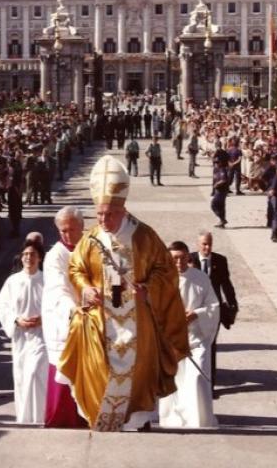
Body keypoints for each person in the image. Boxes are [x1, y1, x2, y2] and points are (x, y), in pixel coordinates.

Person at [57, 155, 189, 431]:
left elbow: (166, 271)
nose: (103, 220)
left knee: (138, 372)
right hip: (100, 322)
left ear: (123, 210)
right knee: (99, 372)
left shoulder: (144, 236)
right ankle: (103, 419)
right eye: (99, 214)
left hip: (137, 322)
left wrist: (147, 289)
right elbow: (77, 269)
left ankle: (137, 421)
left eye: (110, 214)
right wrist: (86, 288)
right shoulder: (91, 238)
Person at [159, 241, 219, 428]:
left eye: (183, 258)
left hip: (196, 338)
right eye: (175, 258)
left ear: (188, 257)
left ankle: (199, 419)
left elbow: (213, 306)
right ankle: (172, 418)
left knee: (197, 378)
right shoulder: (161, 279)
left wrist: (196, 314)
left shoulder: (200, 278)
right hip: (171, 340)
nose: (179, 262)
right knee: (174, 381)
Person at [41, 207, 87, 428]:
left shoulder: (90, 247)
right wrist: (73, 310)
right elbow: (57, 288)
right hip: (65, 318)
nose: (67, 235)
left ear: (82, 227)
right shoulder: (55, 256)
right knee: (64, 369)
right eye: (63, 231)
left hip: (91, 317)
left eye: (71, 230)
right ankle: (63, 419)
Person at [0, 241, 48, 424]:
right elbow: (3, 306)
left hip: (42, 335)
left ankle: (40, 417)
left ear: (40, 258)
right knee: (23, 375)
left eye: (33, 254)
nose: (28, 257)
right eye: (25, 254)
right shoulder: (13, 281)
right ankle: (25, 418)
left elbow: (56, 305)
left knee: (36, 372)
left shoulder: (47, 280)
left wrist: (44, 319)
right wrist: (16, 320)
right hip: (21, 337)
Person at [190, 231, 238, 396]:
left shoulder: (220, 260)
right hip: (194, 310)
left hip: (213, 310)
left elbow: (226, 284)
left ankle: (209, 387)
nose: (207, 247)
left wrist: (233, 304)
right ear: (198, 245)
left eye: (210, 244)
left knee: (210, 346)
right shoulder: (190, 259)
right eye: (204, 244)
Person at [211, 157, 229, 228]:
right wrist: (213, 190)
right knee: (221, 206)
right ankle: (222, 222)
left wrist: (217, 184)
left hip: (222, 190)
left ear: (220, 163)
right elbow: (214, 180)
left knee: (214, 204)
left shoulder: (222, 169)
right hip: (217, 190)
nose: (216, 164)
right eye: (215, 162)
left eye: (217, 162)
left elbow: (224, 180)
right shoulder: (215, 170)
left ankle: (222, 219)